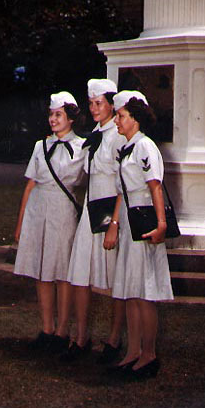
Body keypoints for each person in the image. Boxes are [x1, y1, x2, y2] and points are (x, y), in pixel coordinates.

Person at [104, 91, 174, 380]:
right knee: (131, 290)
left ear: (135, 119)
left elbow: (155, 186)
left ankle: (149, 355)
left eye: (121, 116)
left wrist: (161, 224)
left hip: (145, 220)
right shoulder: (127, 148)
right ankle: (133, 352)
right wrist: (115, 224)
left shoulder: (145, 147)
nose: (117, 120)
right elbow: (122, 192)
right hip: (130, 219)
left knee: (145, 293)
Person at [14, 91, 86, 354]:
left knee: (62, 272)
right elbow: (31, 184)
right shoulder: (39, 146)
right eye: (51, 114)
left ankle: (62, 330)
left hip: (63, 210)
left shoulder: (82, 147)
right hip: (38, 210)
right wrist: (21, 223)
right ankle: (46, 328)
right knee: (41, 271)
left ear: (71, 118)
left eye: (59, 115)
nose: (53, 119)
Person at [62, 78, 126, 364]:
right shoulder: (95, 136)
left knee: (116, 278)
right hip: (90, 208)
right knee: (79, 274)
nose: (94, 107)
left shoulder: (118, 135)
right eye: (90, 103)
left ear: (112, 105)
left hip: (110, 211)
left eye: (99, 103)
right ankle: (81, 336)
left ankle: (114, 338)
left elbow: (122, 181)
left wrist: (114, 220)